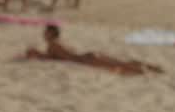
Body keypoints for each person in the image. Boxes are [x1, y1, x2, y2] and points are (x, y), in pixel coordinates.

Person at [26, 24, 164, 75]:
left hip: (86, 60)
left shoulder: (52, 45)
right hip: (88, 56)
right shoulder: (58, 43)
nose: (43, 33)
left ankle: (145, 71)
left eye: (46, 32)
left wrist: (35, 53)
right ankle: (151, 67)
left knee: (120, 66)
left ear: (50, 34)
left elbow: (50, 57)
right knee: (121, 63)